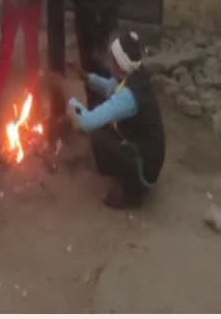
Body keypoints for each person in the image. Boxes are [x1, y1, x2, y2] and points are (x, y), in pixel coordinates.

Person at [67, 31, 165, 208]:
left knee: (97, 130)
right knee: (102, 119)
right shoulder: (134, 73)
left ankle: (132, 194)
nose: (108, 61)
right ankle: (111, 168)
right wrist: (85, 76)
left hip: (146, 168)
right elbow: (109, 87)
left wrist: (68, 95)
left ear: (119, 64)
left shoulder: (129, 96)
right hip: (147, 151)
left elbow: (86, 122)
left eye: (111, 59)